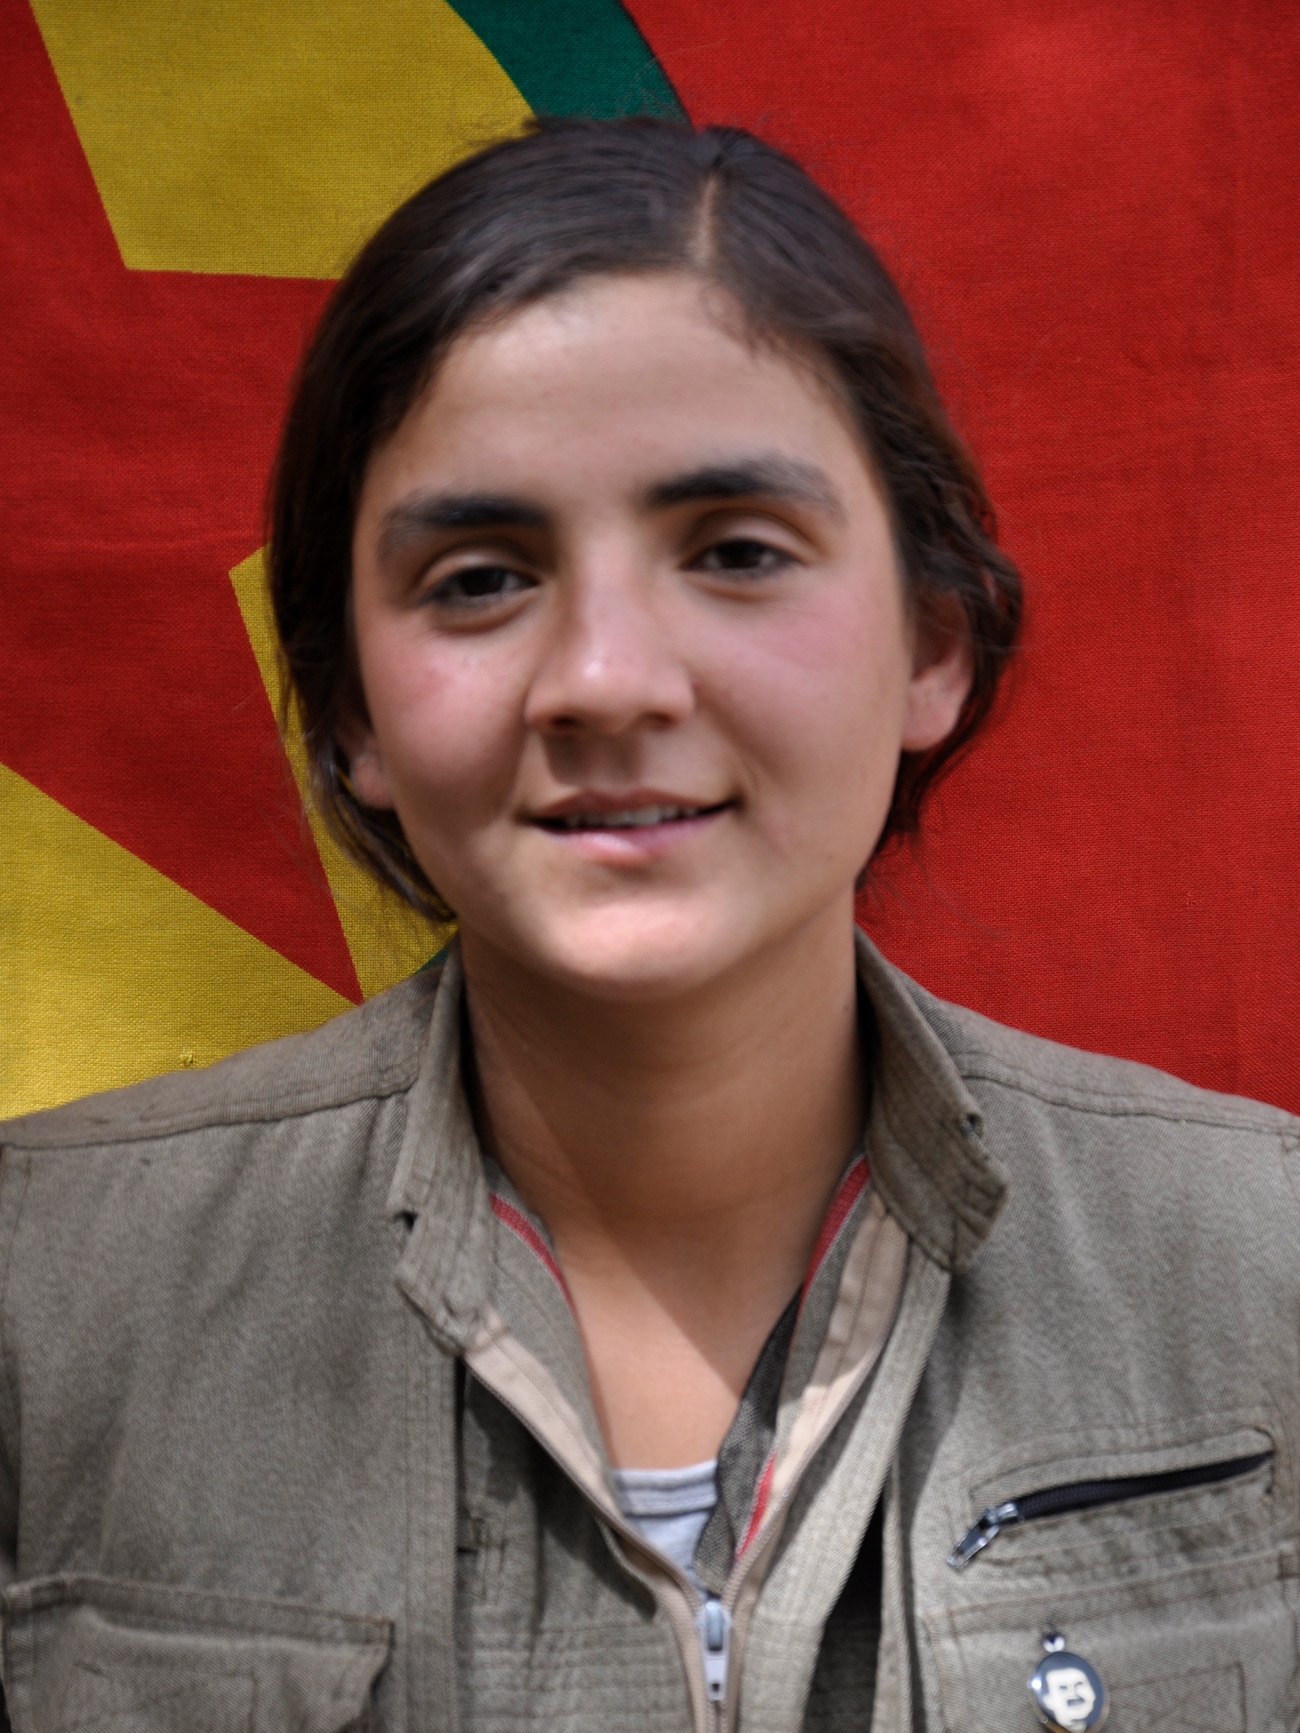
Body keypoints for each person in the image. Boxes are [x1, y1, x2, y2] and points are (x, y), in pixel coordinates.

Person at [0, 117, 1296, 1733]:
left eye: (738, 553)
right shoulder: (44, 1306)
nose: (607, 679)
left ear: (932, 645)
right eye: (479, 578)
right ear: (351, 709)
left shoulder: (1260, 1266)